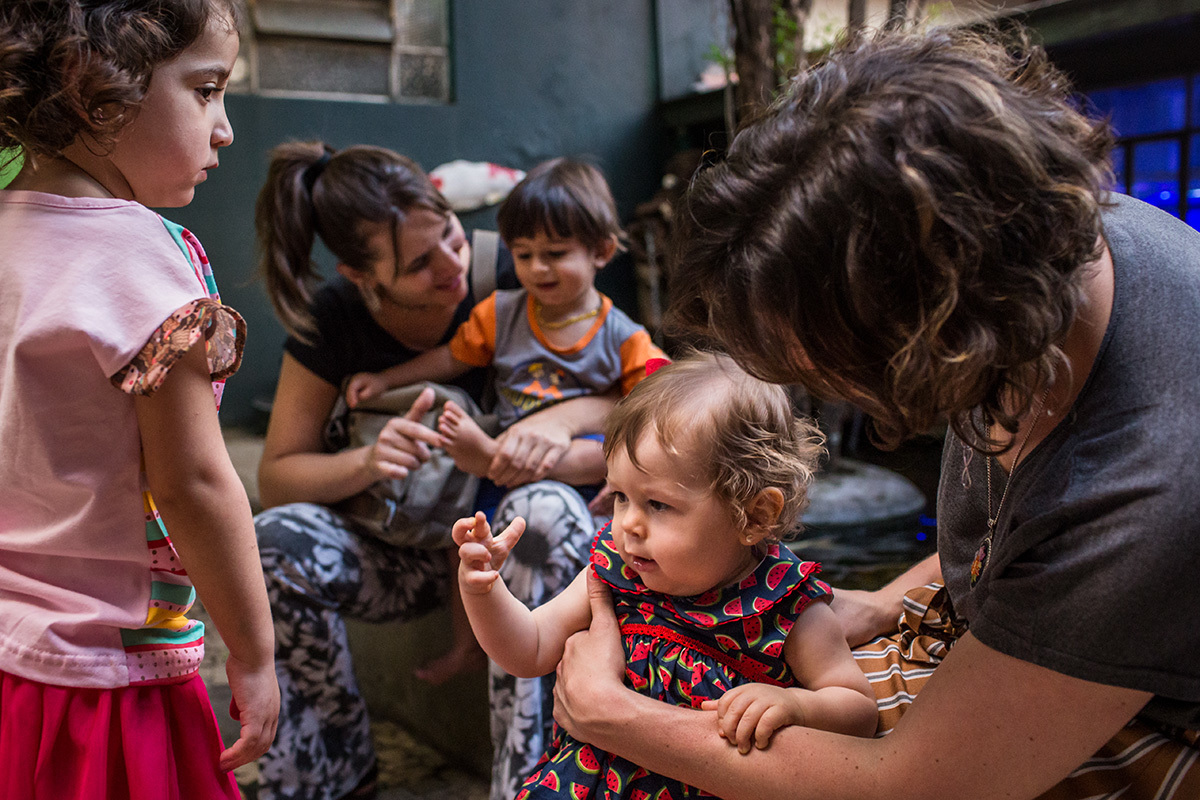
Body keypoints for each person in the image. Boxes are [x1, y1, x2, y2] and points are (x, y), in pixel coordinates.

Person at [550, 27, 1200, 800]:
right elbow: (1029, 542)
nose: (808, 380)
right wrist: (886, 603)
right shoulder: (1064, 240)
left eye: (820, 358)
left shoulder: (1144, 485)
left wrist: (613, 716)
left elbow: (912, 784)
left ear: (937, 327)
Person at [253, 141, 617, 800]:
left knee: (545, 518)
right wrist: (364, 462)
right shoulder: (332, 319)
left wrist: (554, 424)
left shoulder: (519, 269)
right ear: (360, 274)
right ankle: (330, 777)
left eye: (450, 233)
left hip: (498, 543)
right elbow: (277, 477)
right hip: (400, 557)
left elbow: (631, 388)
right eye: (420, 263)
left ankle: (529, 785)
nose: (452, 264)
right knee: (275, 541)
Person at [0, 2, 279, 798]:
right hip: (116, 678)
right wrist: (253, 657)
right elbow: (192, 483)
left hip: (15, 658)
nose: (223, 128)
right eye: (206, 90)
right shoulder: (139, 257)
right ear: (97, 93)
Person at [454, 352, 878, 800]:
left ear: (753, 516)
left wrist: (797, 705)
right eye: (619, 495)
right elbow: (529, 649)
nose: (628, 525)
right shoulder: (614, 572)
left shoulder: (785, 606)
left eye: (657, 504)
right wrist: (483, 590)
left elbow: (857, 708)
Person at [342, 157, 665, 686]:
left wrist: (624, 479)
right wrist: (387, 380)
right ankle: (468, 645)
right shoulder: (503, 312)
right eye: (524, 254)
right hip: (509, 466)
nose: (538, 268)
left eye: (555, 254)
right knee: (467, 547)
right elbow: (451, 358)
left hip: (580, 471)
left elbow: (657, 404)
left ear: (602, 251)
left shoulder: (623, 336)